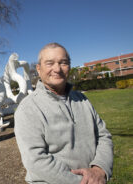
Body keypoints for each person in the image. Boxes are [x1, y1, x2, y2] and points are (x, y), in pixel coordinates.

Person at [14, 43, 113, 184]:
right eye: (50, 63)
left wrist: (99, 169)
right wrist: (83, 181)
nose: (57, 69)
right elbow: (35, 160)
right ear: (38, 69)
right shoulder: (28, 109)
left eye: (63, 63)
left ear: (69, 67)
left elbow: (103, 135)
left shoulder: (82, 99)